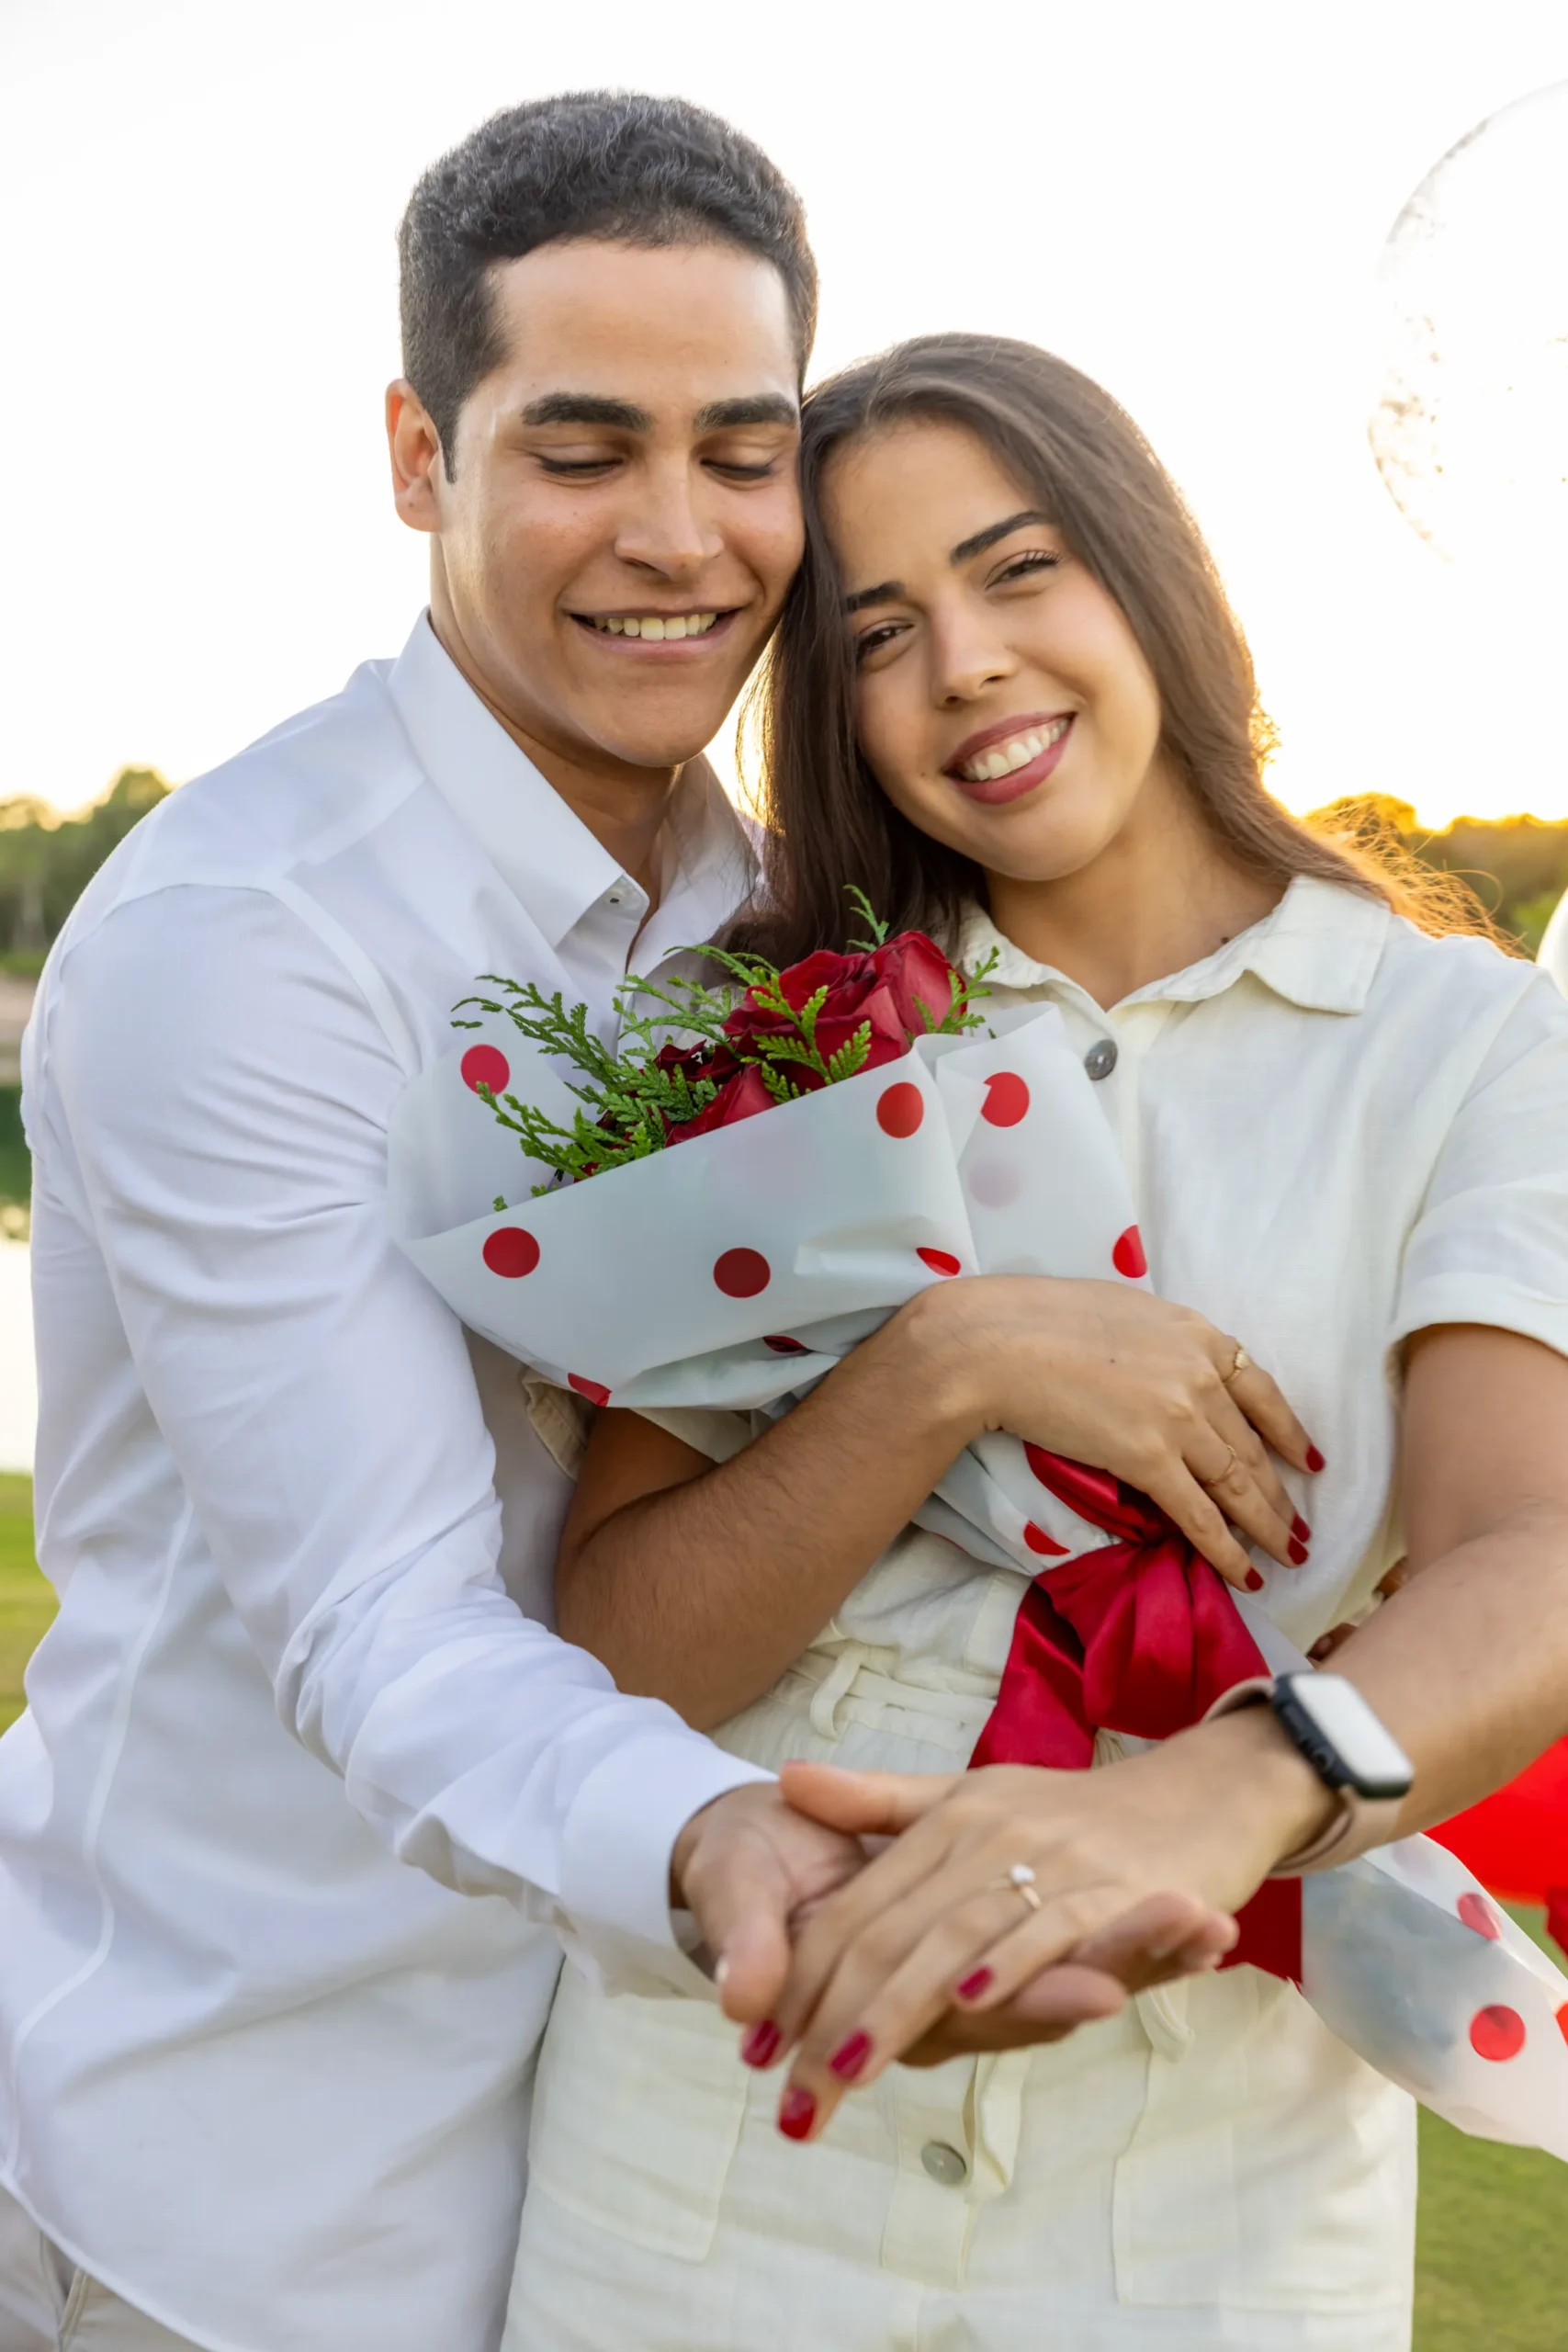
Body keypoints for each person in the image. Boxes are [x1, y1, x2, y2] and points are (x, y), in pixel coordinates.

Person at [0, 99, 1235, 2352]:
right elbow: (382, 1611)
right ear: (418, 455)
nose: (680, 537)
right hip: (228, 2184)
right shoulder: (244, 943)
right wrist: (714, 1838)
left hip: (638, 2190)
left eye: (742, 453)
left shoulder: (783, 916)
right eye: (581, 450)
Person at [505, 334, 1568, 2351]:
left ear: (1150, 574)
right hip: (716, 2156)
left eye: (1017, 571)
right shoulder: (777, 1045)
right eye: (878, 635)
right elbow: (620, 1651)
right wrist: (941, 1366)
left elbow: (1531, 1553)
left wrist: (1218, 1790)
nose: (966, 667)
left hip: (1214, 2202)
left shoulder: (1469, 1048)